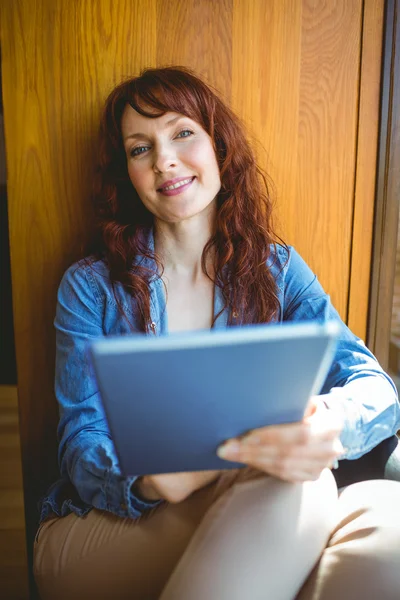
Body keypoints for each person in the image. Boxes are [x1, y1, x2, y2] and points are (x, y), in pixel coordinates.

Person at [33, 66, 400, 600]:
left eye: (183, 133)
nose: (164, 160)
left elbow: (377, 388)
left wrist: (324, 422)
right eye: (140, 149)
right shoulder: (90, 288)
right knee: (300, 487)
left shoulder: (278, 270)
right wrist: (153, 479)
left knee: (388, 525)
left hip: (256, 501)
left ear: (218, 146)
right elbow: (80, 444)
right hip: (108, 525)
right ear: (127, 174)